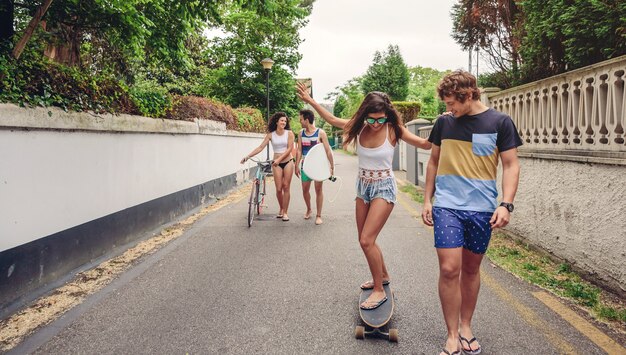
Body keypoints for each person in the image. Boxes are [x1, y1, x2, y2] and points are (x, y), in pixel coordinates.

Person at [297, 82, 431, 310]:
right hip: (363, 188)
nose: (376, 124)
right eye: (371, 119)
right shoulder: (359, 127)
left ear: (387, 115)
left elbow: (425, 143)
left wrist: (450, 122)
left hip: (383, 188)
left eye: (381, 119)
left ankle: (379, 290)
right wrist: (311, 102)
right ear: (364, 115)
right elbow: (332, 120)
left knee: (366, 240)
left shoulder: (393, 129)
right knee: (365, 239)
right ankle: (383, 276)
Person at [421, 70, 522, 355]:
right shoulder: (444, 123)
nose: (448, 109)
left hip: (481, 209)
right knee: (449, 268)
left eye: (452, 103)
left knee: (471, 269)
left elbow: (511, 165)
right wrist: (428, 200)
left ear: (468, 96)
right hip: (447, 206)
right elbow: (433, 162)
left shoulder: (499, 122)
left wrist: (506, 203)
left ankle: (466, 325)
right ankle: (452, 334)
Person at [241, 112, 295, 221]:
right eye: (282, 120)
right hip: (276, 164)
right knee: (279, 188)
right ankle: (281, 208)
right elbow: (260, 147)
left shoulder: (289, 133)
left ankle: (285, 212)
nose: (284, 122)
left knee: (286, 186)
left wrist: (279, 159)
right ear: (276, 122)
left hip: (288, 161)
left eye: (285, 121)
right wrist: (247, 156)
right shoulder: (271, 135)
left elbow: (289, 149)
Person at [295, 109, 334, 225]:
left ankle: (319, 215)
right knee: (305, 190)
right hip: (305, 166)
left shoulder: (320, 133)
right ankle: (309, 209)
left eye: (301, 120)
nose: (300, 122)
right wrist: (296, 165)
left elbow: (327, 150)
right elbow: (299, 150)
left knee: (318, 190)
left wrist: (331, 166)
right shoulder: (301, 133)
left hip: (318, 165)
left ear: (307, 120)